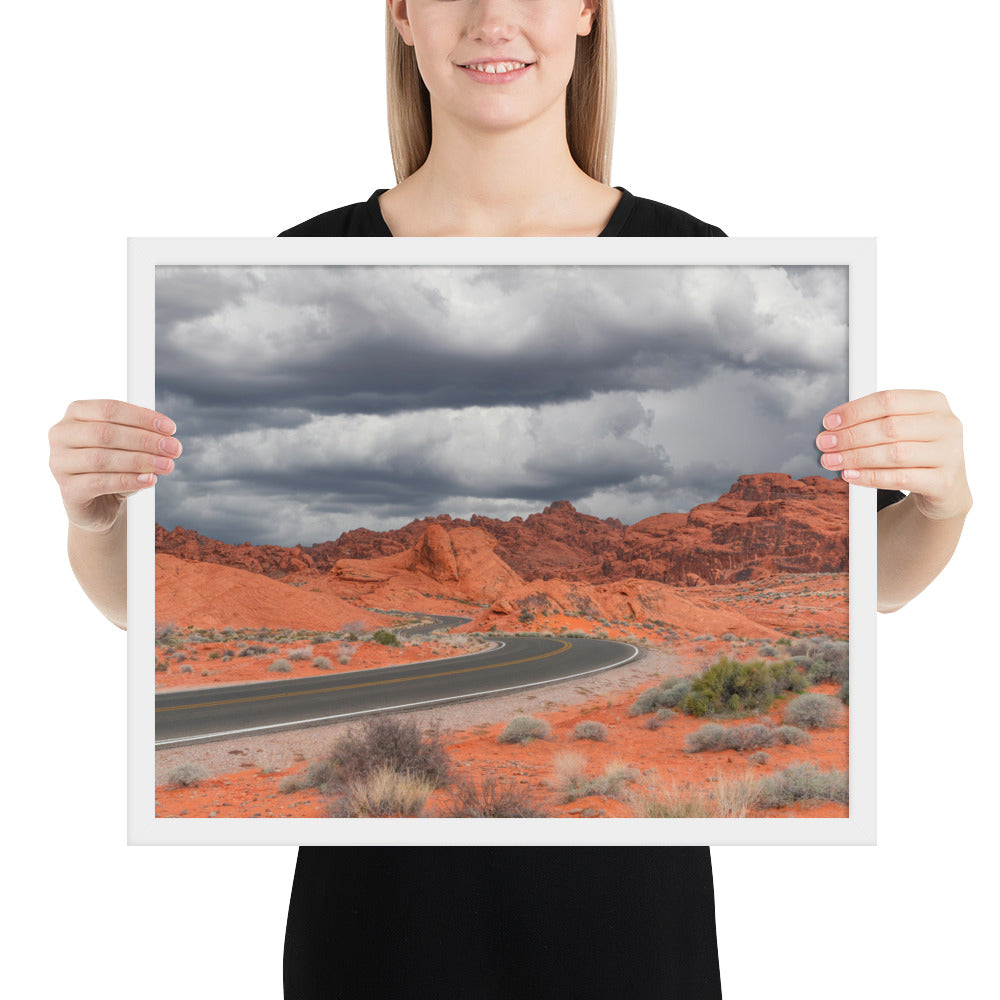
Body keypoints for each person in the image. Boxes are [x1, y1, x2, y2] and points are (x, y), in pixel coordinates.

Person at [47, 2, 972, 997]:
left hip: (628, 939)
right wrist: (93, 517)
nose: (495, 18)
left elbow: (866, 590)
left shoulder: (700, 252)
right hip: (370, 937)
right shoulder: (293, 258)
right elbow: (137, 610)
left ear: (586, 13)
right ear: (402, 15)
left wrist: (942, 501)